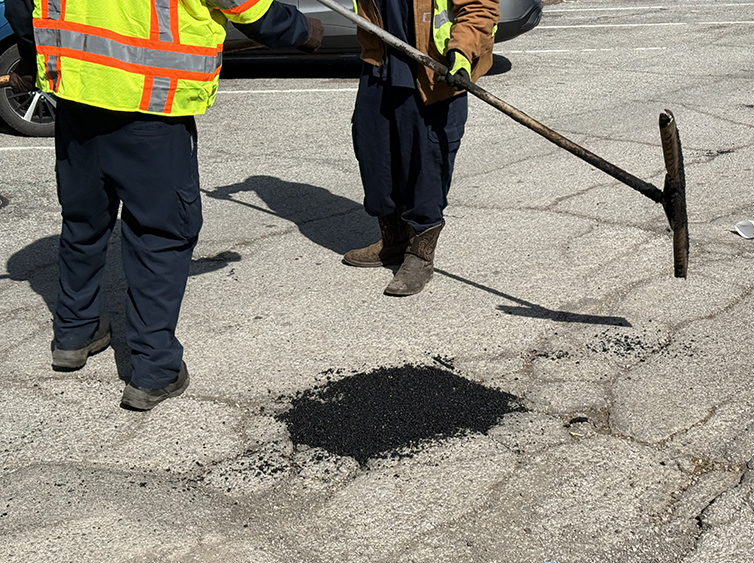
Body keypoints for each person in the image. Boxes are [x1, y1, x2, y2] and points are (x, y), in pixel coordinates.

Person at [5, 0, 323, 410]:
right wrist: (303, 30)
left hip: (79, 99)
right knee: (160, 235)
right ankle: (155, 370)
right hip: (150, 108)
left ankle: (74, 333)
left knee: (84, 222)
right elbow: (248, 7)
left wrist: (33, 57)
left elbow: (21, 7)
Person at [343, 0, 499, 296]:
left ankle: (420, 255)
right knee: (374, 153)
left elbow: (479, 8)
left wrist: (462, 53)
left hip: (433, 72)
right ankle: (394, 240)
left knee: (427, 165)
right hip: (380, 63)